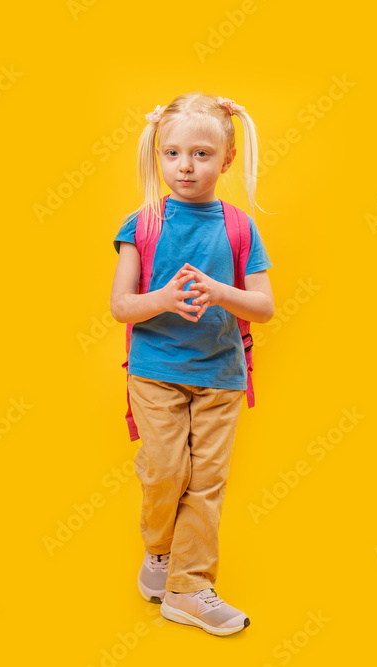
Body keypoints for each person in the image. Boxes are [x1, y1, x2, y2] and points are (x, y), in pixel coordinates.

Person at [109, 93, 274, 637]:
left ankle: (190, 587)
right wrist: (165, 299)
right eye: (173, 152)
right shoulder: (142, 224)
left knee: (206, 483)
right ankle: (160, 552)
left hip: (220, 376)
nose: (185, 166)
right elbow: (121, 307)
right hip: (155, 372)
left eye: (201, 154)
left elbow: (264, 307)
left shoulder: (239, 227)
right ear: (158, 154)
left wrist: (218, 291)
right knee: (165, 473)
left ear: (225, 160)